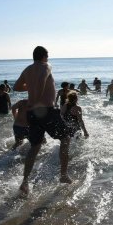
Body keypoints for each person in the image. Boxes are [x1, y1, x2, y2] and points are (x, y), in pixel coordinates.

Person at [13, 46, 71, 194]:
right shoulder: (46, 65)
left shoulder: (27, 69)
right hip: (46, 111)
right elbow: (41, 79)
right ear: (44, 56)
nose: (49, 58)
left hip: (32, 113)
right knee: (65, 138)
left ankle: (25, 182)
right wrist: (36, 96)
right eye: (48, 55)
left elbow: (17, 87)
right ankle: (63, 175)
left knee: (35, 146)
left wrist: (31, 89)